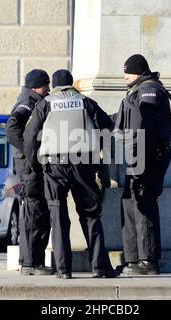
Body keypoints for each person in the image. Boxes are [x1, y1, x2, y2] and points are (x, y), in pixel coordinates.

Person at [23, 69, 117, 279]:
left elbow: (29, 135)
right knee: (91, 215)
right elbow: (107, 126)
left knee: (58, 216)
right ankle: (100, 267)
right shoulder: (85, 101)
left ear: (54, 86)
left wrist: (33, 163)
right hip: (83, 163)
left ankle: (63, 270)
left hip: (54, 166)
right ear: (71, 83)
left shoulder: (45, 104)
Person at [114, 54, 171, 275]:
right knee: (130, 204)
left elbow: (147, 128)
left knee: (144, 205)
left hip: (148, 157)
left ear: (139, 72)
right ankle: (133, 260)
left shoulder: (149, 91)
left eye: (128, 72)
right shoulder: (136, 91)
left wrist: (139, 161)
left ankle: (148, 262)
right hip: (138, 158)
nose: (125, 76)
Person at [5, 69, 53, 276]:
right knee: (35, 214)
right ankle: (31, 263)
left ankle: (31, 262)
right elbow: (12, 127)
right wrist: (30, 152)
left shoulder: (31, 99)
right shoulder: (28, 101)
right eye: (46, 86)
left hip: (30, 166)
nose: (48, 90)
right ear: (37, 87)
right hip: (30, 168)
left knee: (34, 213)